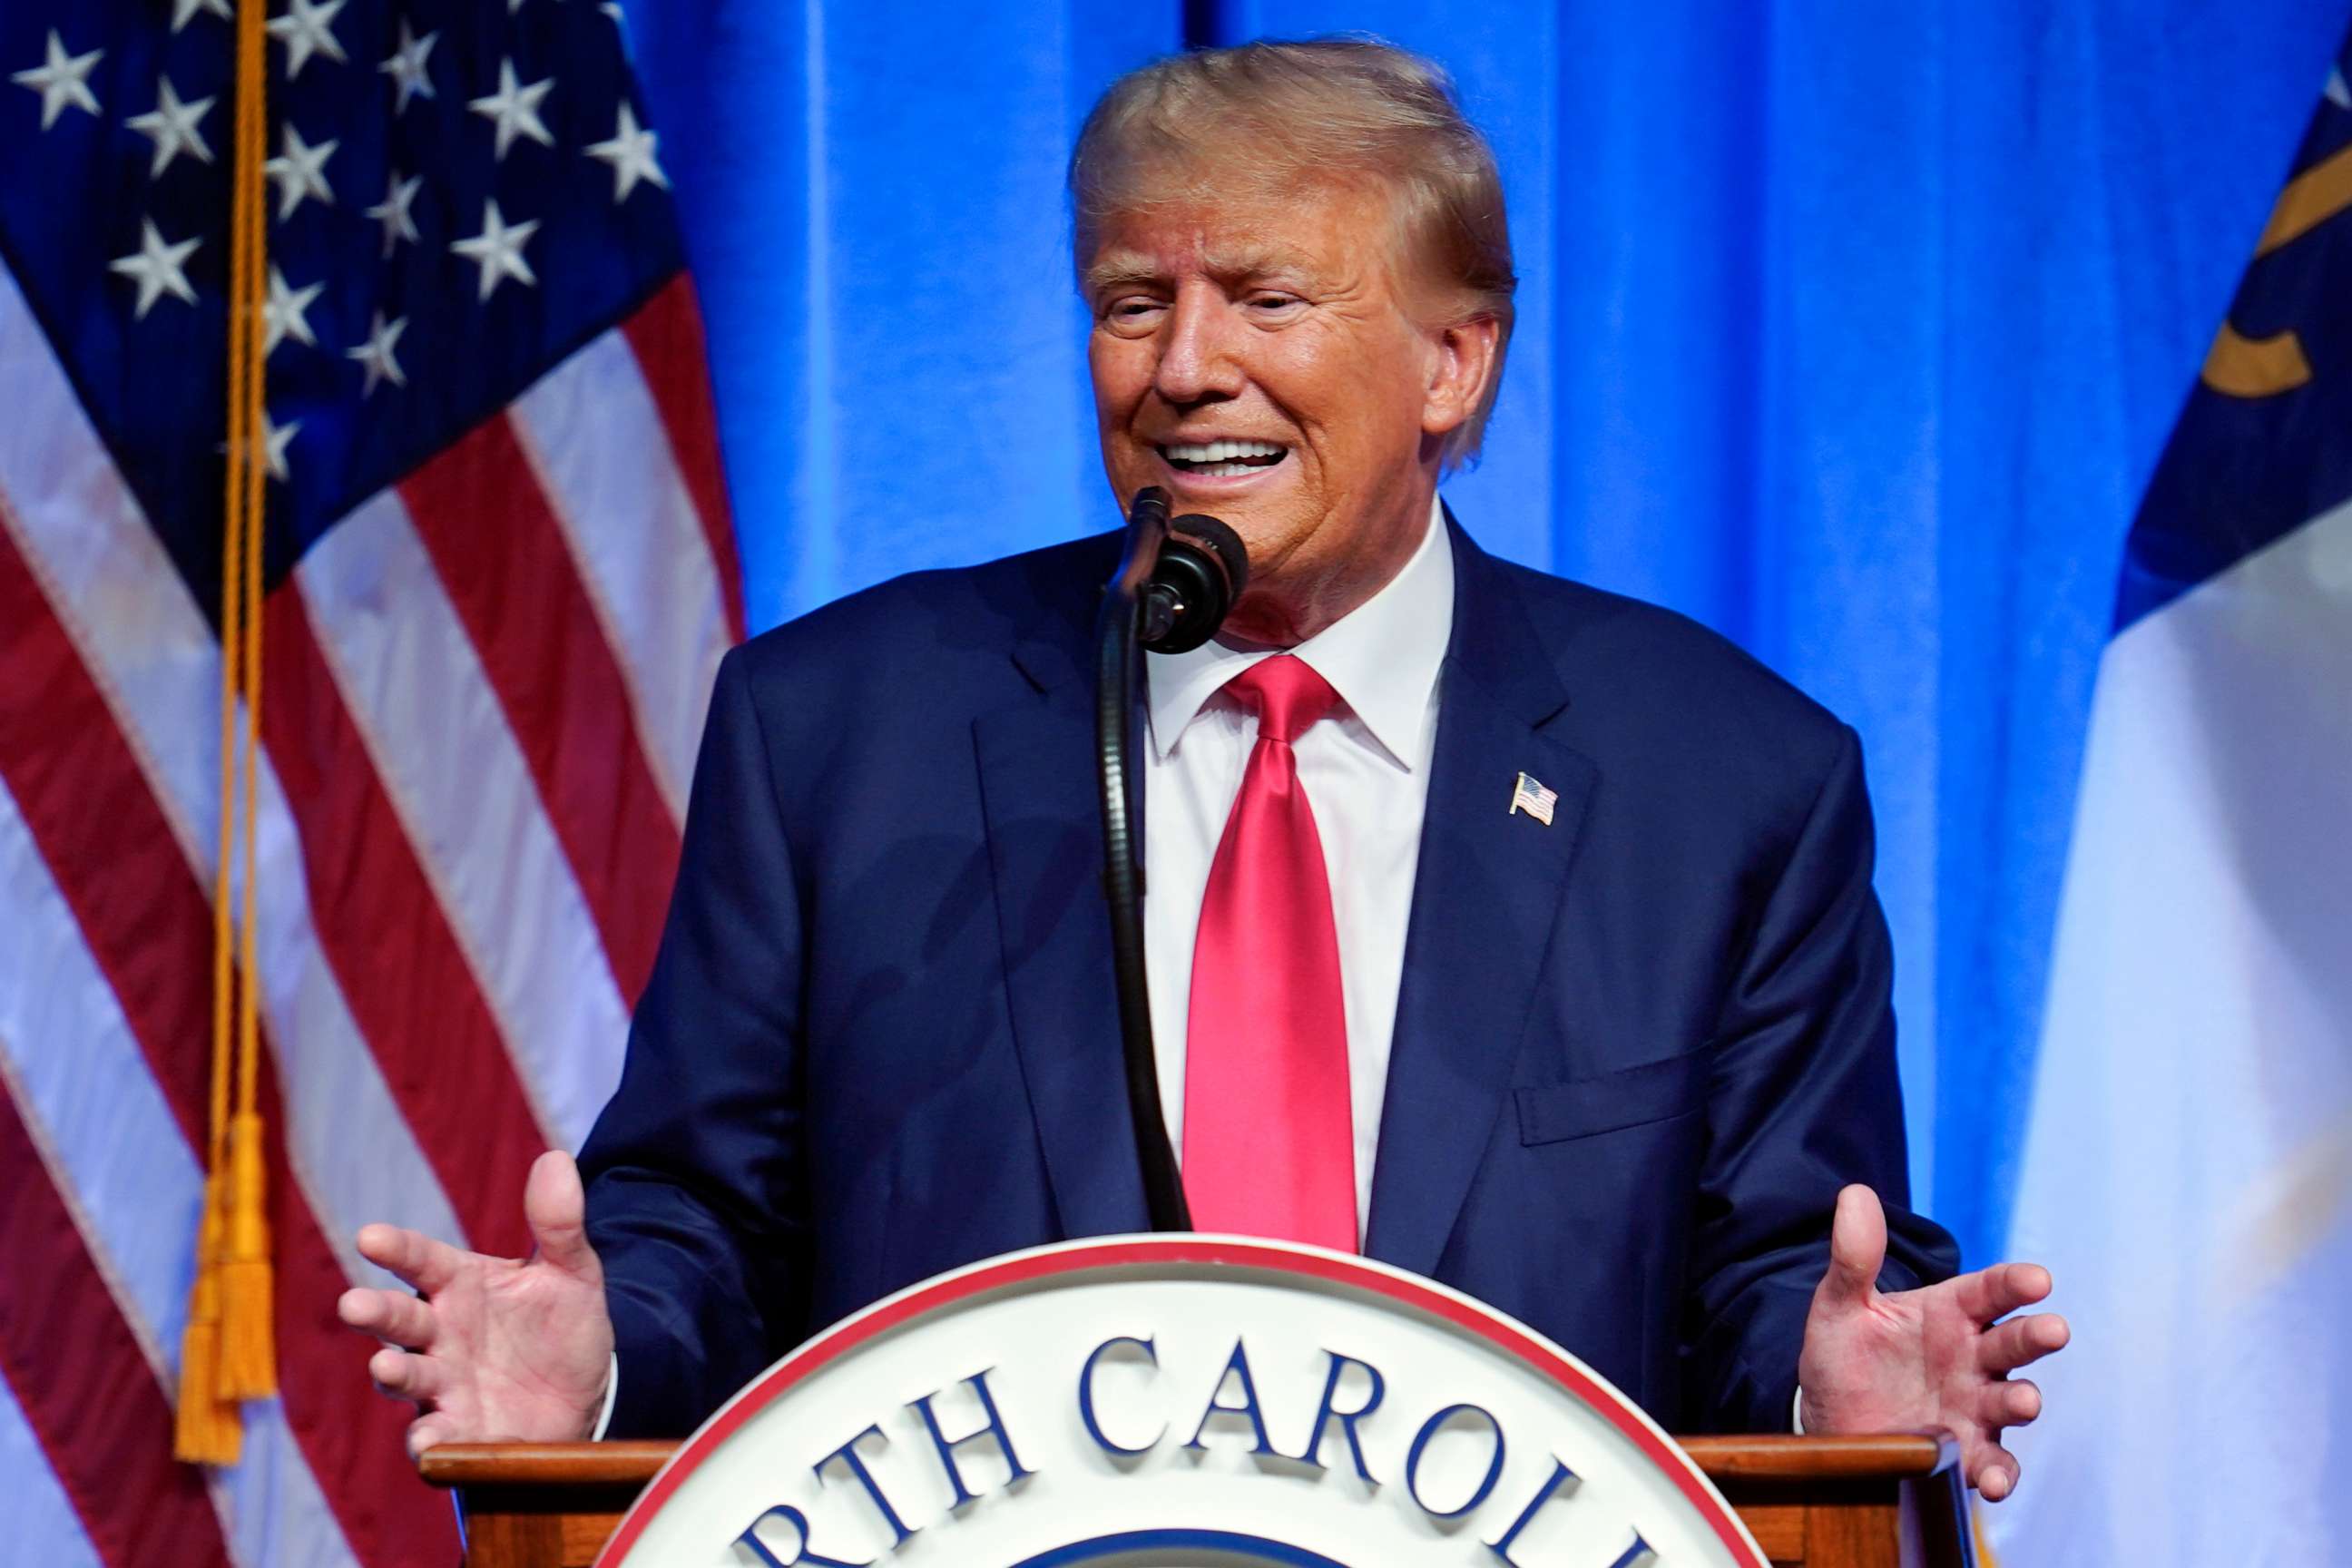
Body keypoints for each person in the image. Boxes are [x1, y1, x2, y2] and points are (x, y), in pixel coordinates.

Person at [339, 38, 2068, 1500]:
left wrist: (1827, 1400)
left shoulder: (1725, 780)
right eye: (1132, 302)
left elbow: (1774, 1271)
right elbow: (705, 1223)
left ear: (1452, 361)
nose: (1182, 369)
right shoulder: (838, 730)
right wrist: (605, 1355)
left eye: (1266, 299)